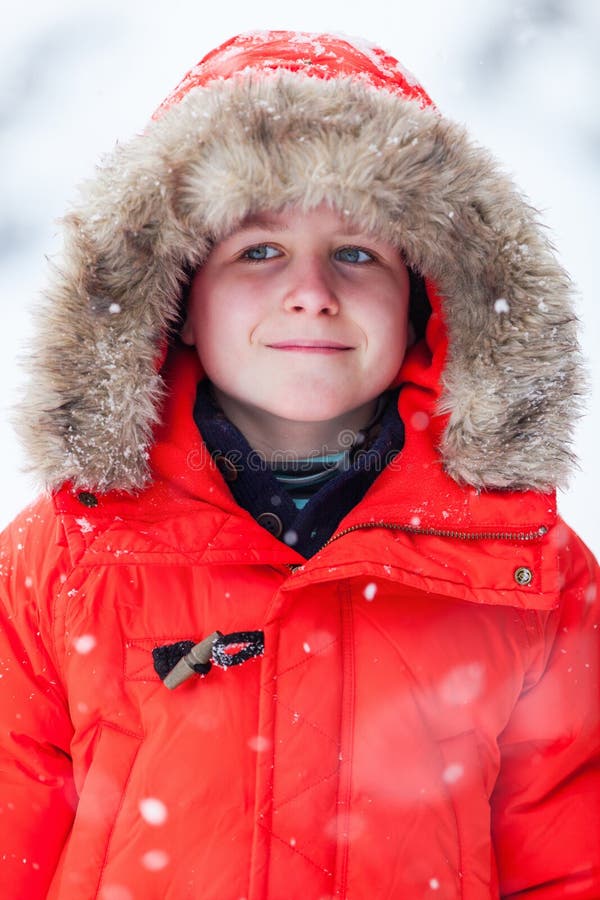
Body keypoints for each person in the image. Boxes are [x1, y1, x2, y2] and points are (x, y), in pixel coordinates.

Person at [0, 30, 598, 900]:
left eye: (357, 253)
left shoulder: (530, 576)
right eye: (259, 250)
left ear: (426, 300)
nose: (311, 291)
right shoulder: (58, 567)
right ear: (179, 300)